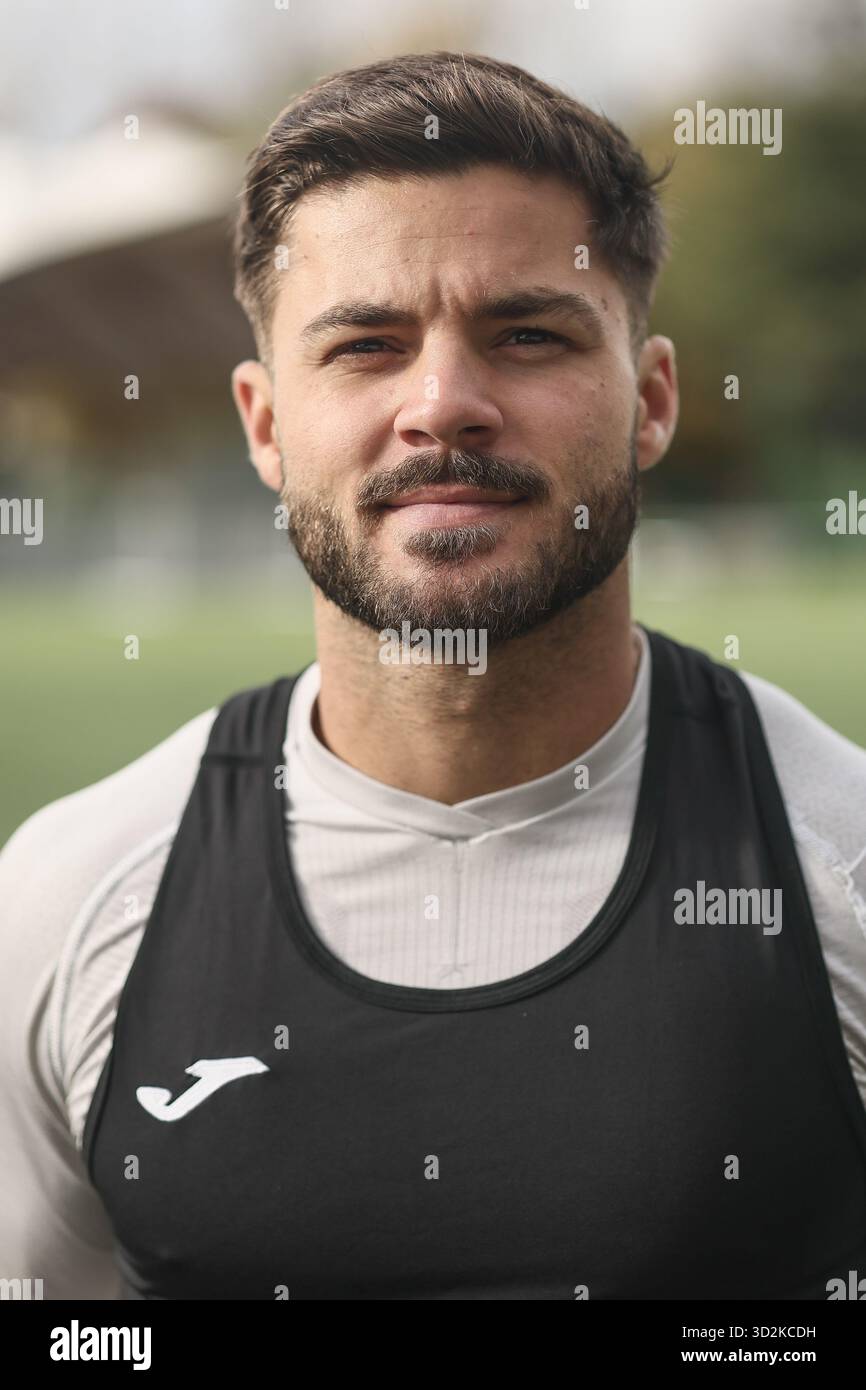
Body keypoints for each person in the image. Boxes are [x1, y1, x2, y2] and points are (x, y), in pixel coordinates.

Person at [1, 51, 865, 1301]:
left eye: (525, 334)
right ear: (263, 425)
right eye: (364, 344)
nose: (442, 405)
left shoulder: (835, 865)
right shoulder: (68, 899)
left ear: (652, 400)